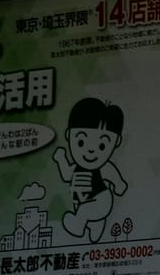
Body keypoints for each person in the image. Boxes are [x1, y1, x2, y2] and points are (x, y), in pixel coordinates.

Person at [51, 97, 128, 243]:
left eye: (101, 146)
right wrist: (61, 159)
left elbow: (116, 180)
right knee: (88, 213)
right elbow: (67, 175)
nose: (91, 150)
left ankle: (77, 225)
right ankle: (96, 225)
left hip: (101, 199)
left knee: (85, 211)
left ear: (116, 142)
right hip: (84, 201)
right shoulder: (76, 167)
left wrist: (119, 185)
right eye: (81, 142)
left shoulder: (104, 167)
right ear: (68, 136)